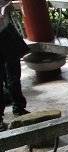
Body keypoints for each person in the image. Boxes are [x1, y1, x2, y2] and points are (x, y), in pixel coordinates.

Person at [0, 0, 29, 131]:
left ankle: (19, 107)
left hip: (5, 32)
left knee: (14, 75)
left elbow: (8, 3)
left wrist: (4, 9)